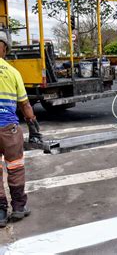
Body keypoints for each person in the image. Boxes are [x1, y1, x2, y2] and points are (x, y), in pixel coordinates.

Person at [0, 32, 41, 227]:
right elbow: (25, 105)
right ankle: (18, 207)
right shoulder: (13, 72)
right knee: (15, 167)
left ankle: (0, 212)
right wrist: (33, 127)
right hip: (9, 129)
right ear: (6, 49)